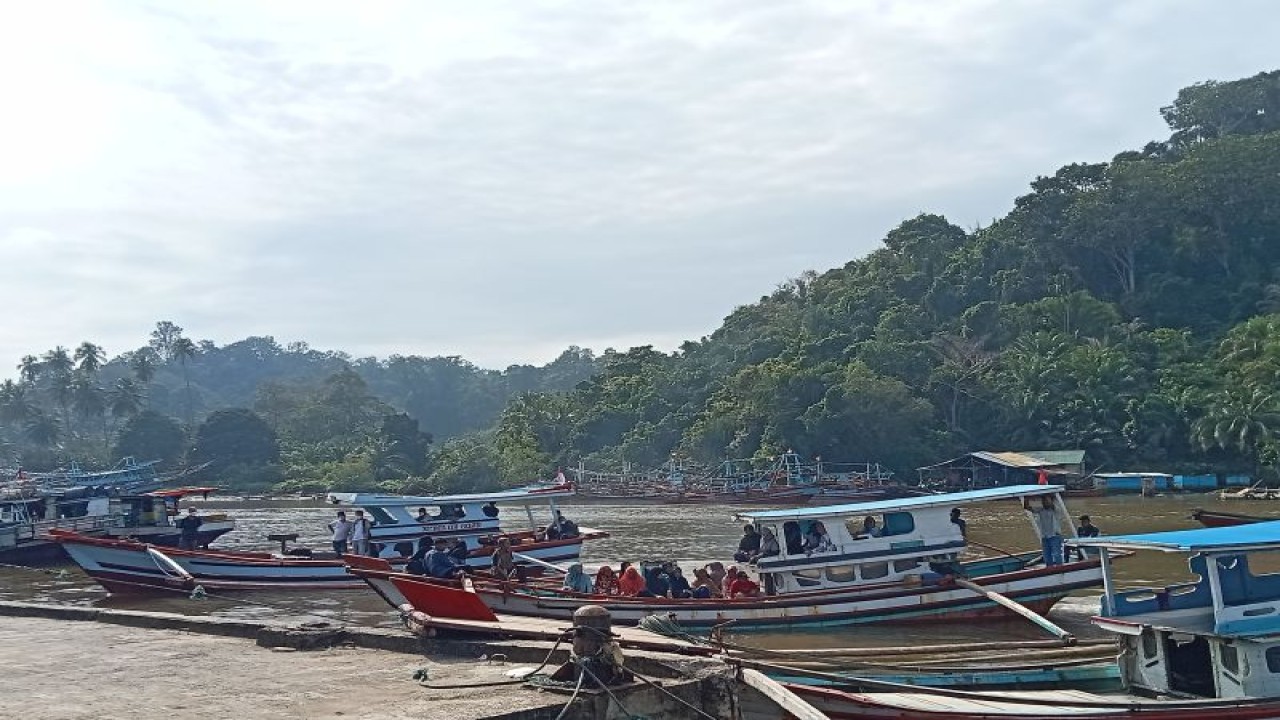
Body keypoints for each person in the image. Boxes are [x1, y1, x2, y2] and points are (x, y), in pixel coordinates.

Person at [1026, 496, 1063, 566]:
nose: (1044, 502)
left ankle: (1060, 569)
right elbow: (1027, 507)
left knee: (1057, 554)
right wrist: (1027, 498)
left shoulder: (1055, 509)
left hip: (1054, 536)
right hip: (1045, 537)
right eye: (1043, 500)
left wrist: (1046, 495)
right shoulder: (1041, 510)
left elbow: (1051, 504)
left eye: (1045, 500)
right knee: (1046, 556)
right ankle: (1049, 569)